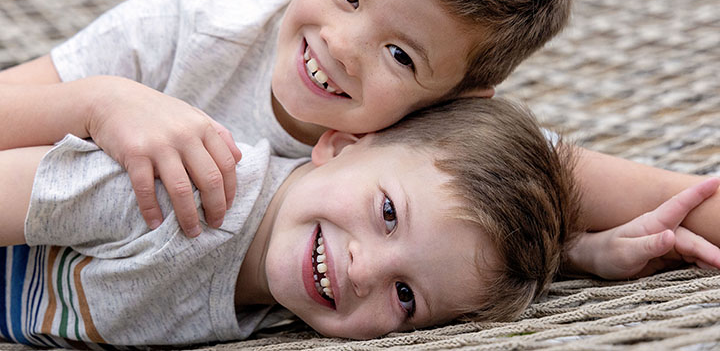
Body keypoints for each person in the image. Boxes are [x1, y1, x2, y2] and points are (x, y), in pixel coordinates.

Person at [0, 0, 716, 275]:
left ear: (458, 98)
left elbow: (675, 200)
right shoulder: (193, 24)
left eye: (401, 56)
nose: (343, 48)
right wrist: (101, 104)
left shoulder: (436, 144)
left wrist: (572, 250)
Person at [1, 98, 581, 347]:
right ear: (342, 145)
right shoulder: (172, 195)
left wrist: (585, 251)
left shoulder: (280, 303)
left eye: (406, 297)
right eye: (387, 213)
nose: (364, 269)